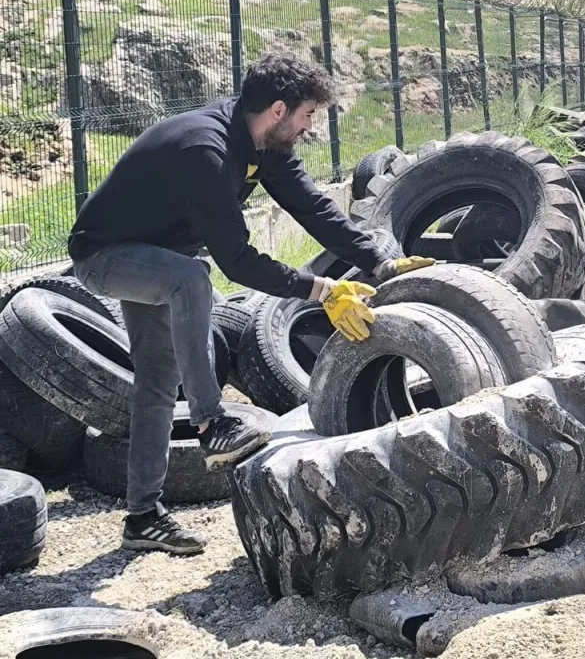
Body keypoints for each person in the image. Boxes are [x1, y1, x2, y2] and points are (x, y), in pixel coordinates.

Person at [67, 52, 433, 555]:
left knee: (157, 382)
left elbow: (312, 207)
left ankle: (142, 518)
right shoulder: (206, 150)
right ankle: (212, 423)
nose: (309, 127)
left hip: (159, 258)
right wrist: (322, 290)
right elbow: (236, 262)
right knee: (192, 279)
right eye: (307, 115)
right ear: (279, 110)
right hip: (104, 256)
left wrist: (380, 262)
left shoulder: (264, 143)